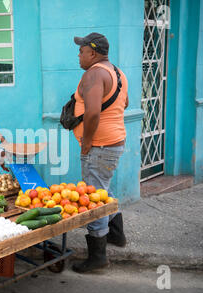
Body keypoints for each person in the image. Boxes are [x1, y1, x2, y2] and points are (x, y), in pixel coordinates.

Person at [71, 33, 128, 273]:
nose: (79, 55)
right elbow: (124, 104)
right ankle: (116, 234)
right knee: (105, 190)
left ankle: (98, 256)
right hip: (113, 142)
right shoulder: (117, 72)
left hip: (99, 146)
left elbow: (94, 112)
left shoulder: (93, 73)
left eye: (81, 51)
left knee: (94, 196)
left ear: (92, 53)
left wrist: (87, 141)